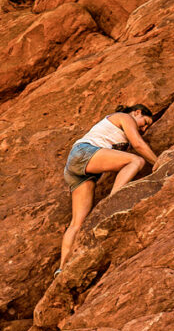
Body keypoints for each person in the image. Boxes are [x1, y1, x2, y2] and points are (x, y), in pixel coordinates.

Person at [58, 104, 158, 266]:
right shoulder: (124, 117)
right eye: (145, 122)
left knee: (77, 223)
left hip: (78, 168)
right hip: (84, 152)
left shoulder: (120, 124)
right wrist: (158, 163)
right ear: (137, 112)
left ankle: (62, 268)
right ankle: (113, 201)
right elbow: (138, 144)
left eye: (147, 126)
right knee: (136, 160)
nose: (145, 128)